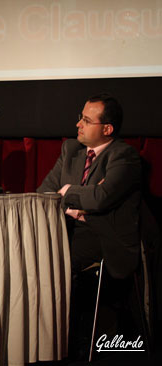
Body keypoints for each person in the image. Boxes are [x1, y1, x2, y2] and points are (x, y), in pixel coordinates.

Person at [37, 93, 141, 279]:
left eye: (86, 120)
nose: (78, 125)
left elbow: (101, 198)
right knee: (25, 250)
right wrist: (79, 206)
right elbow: (44, 195)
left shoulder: (123, 156)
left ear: (107, 129)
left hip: (102, 237)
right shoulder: (71, 149)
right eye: (80, 118)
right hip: (64, 227)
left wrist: (67, 191)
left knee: (50, 260)